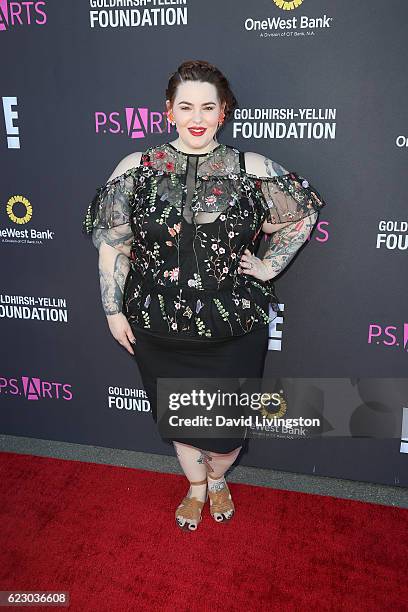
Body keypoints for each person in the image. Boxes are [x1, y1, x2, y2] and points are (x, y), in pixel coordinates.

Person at [82, 60, 326, 532]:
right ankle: (197, 487)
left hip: (232, 326)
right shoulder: (135, 168)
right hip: (157, 323)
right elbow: (114, 245)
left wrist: (270, 264)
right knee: (180, 422)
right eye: (187, 106)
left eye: (208, 107)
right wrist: (113, 310)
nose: (197, 116)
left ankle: (219, 476)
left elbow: (302, 215)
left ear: (223, 112)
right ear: (169, 110)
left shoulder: (252, 169)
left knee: (225, 434)